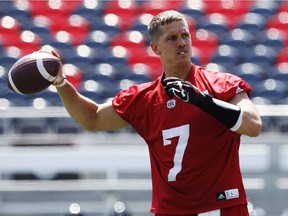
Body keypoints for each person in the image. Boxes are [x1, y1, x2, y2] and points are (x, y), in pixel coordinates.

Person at [51, 10, 262, 216]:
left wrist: (204, 102)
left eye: (185, 35)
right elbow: (92, 119)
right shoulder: (145, 99)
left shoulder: (220, 84)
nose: (181, 42)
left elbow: (253, 125)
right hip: (170, 210)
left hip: (221, 206)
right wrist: (61, 83)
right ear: (155, 48)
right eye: (172, 38)